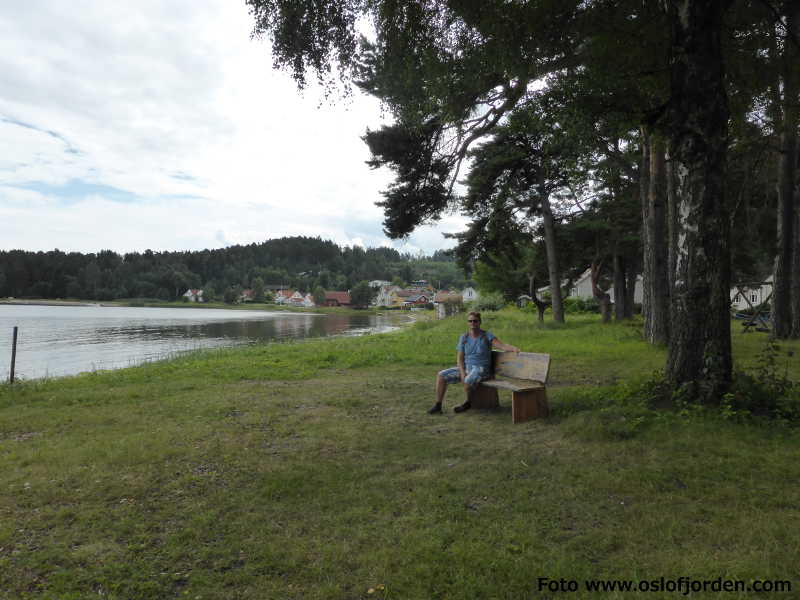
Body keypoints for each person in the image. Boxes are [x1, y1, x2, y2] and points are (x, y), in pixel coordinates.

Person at [428, 311, 520, 414]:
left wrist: (512, 348)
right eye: (470, 321)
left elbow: (501, 346)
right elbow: (460, 358)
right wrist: (462, 373)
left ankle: (468, 403)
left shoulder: (486, 335)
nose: (472, 323)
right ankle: (438, 406)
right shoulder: (464, 337)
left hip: (481, 369)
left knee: (468, 380)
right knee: (441, 376)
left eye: (475, 321)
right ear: (467, 323)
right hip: (467, 368)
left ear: (479, 322)